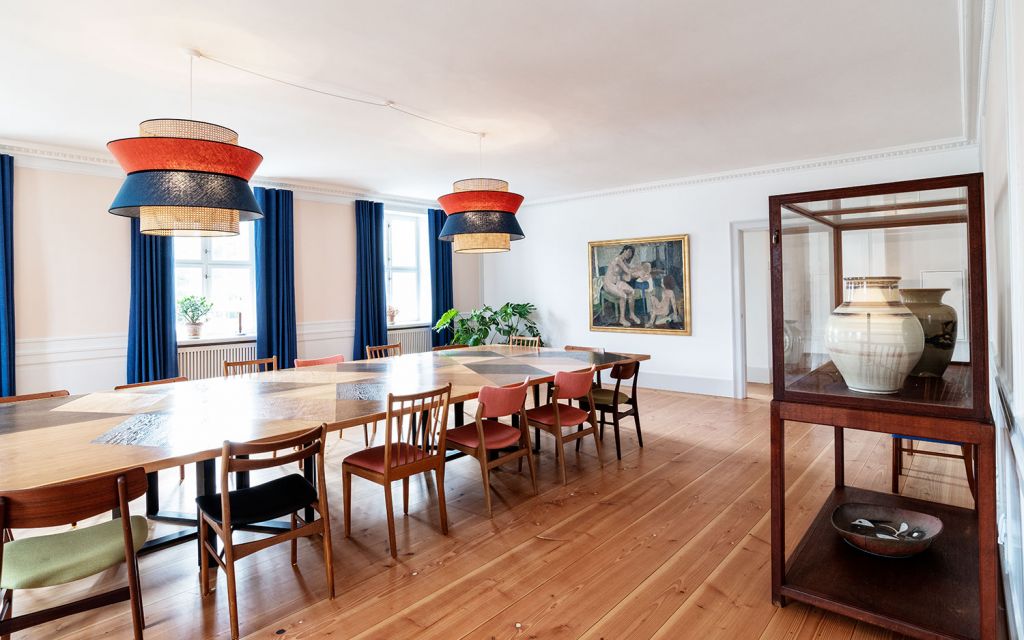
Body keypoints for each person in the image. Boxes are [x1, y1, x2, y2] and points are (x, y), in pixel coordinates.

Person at [602, 245, 641, 326]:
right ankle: (622, 319)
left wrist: (640, 269)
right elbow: (628, 271)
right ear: (624, 250)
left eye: (631, 253)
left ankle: (632, 314)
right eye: (629, 252)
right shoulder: (618, 259)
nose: (629, 254)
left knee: (632, 291)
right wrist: (639, 270)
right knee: (623, 295)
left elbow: (631, 269)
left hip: (617, 282)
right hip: (608, 283)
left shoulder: (624, 262)